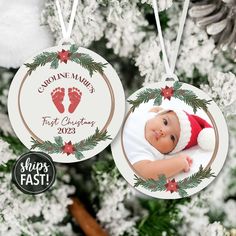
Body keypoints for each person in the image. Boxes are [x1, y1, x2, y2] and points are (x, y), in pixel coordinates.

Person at [123, 105, 215, 179]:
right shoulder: (149, 116)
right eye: (165, 122)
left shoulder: (147, 151)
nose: (164, 132)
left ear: (170, 151)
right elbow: (155, 110)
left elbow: (145, 172)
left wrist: (177, 163)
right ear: (159, 115)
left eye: (172, 138)